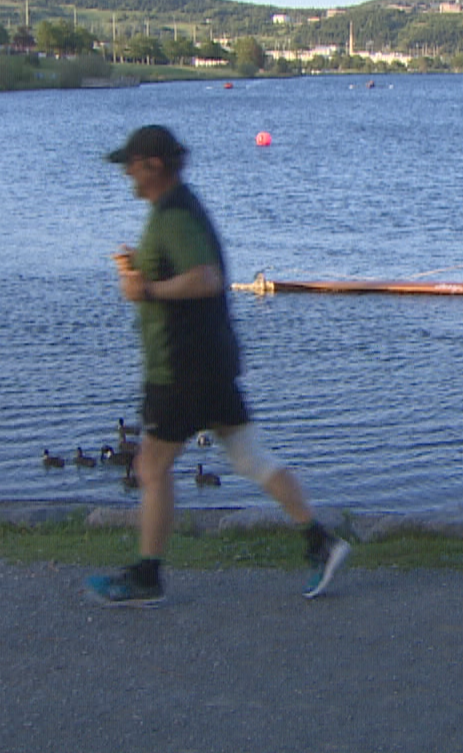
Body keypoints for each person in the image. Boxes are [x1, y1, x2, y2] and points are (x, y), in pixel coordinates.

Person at [86, 125, 351, 607]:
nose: (126, 171)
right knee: (251, 459)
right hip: (212, 360)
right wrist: (140, 268)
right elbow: (188, 271)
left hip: (182, 368)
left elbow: (205, 278)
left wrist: (145, 289)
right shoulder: (178, 209)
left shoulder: (174, 216)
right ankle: (320, 542)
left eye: (132, 163)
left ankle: (147, 576)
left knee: (152, 465)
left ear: (154, 165)